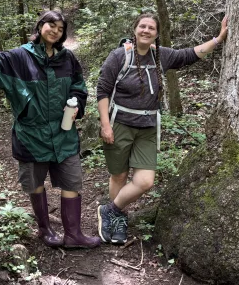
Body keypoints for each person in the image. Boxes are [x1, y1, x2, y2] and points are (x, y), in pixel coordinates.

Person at [0, 10, 101, 249]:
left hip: (64, 135)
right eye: (51, 25)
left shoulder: (67, 59)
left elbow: (79, 86)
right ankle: (45, 229)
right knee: (35, 183)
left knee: (72, 181)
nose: (55, 30)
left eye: (60, 28)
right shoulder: (19, 57)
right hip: (31, 137)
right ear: (40, 26)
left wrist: (76, 103)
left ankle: (73, 234)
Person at [96, 12, 228, 244]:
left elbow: (190, 55)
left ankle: (110, 210)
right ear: (135, 29)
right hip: (119, 124)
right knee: (119, 174)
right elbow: (103, 91)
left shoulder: (161, 56)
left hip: (147, 126)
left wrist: (218, 39)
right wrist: (105, 125)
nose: (146, 31)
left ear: (156, 34)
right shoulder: (119, 56)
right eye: (142, 27)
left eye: (151, 28)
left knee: (145, 181)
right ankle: (117, 220)